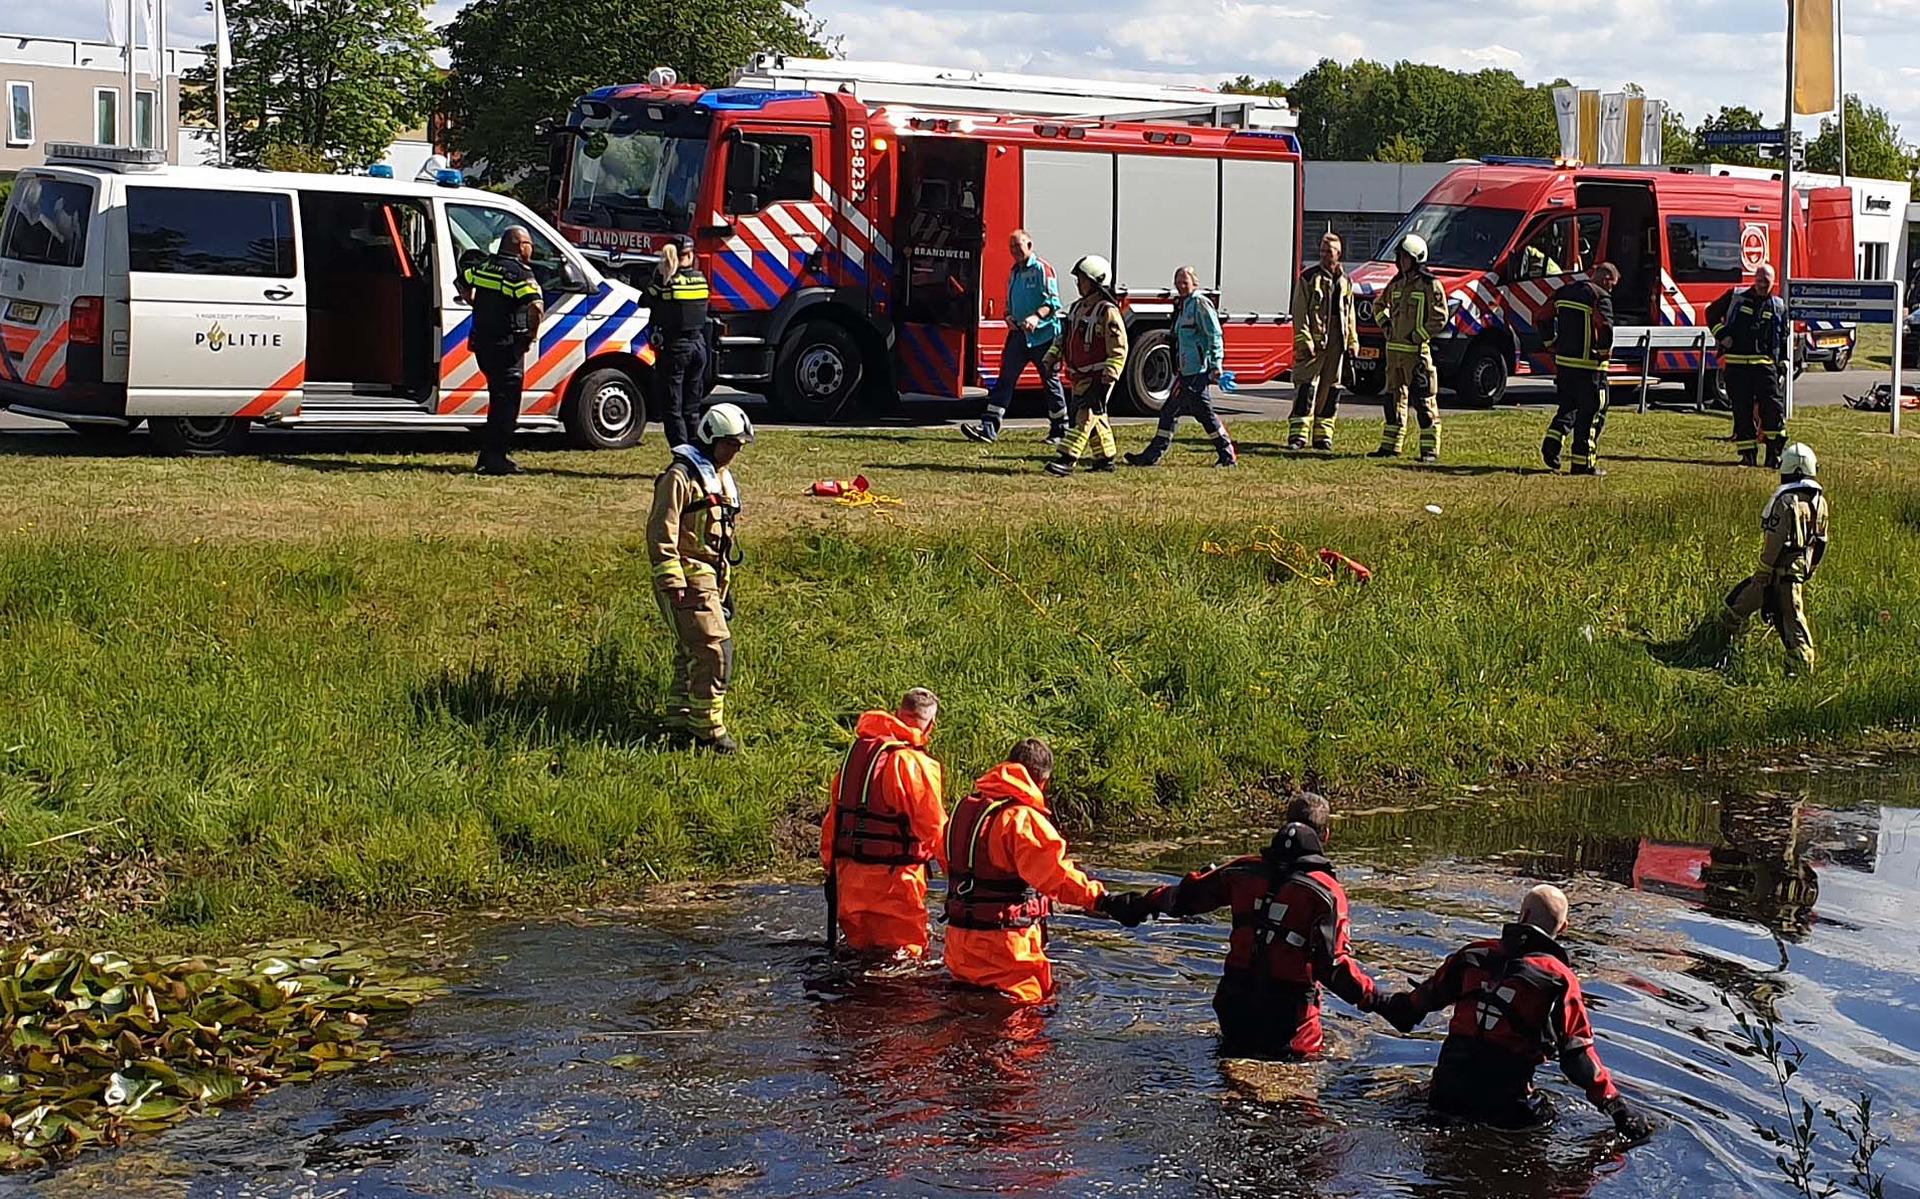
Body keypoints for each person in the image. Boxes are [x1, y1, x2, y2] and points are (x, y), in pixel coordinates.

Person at [1104, 793, 1382, 1058]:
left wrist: (1137, 905)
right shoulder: (1326, 892)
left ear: (1283, 824)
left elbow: (1184, 898)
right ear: (1326, 837)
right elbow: (1331, 966)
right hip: (1290, 1028)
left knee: (1232, 1088)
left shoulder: (1243, 871)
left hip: (1235, 1011)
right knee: (1297, 1099)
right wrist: (1380, 1002)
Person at [1376, 884, 1655, 1138]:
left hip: (1446, 1093)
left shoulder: (1472, 956)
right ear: (1564, 927)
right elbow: (1577, 1057)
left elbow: (1412, 1008)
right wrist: (1617, 1107)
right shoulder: (1558, 978)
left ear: (1523, 915)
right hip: (1506, 1107)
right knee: (1547, 1121)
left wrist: (1370, 996)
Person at [944, 737, 1127, 1003]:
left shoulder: (964, 810)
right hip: (1006, 953)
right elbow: (1057, 877)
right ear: (1042, 782)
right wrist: (1102, 900)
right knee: (1025, 1033)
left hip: (959, 947)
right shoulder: (1022, 819)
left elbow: (945, 856)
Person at [646, 402, 752, 754]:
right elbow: (662, 530)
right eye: (731, 444)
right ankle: (708, 730)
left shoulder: (718, 474)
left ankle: (680, 719)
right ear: (711, 438)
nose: (735, 452)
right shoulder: (679, 477)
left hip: (712, 576)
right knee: (714, 650)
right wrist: (672, 581)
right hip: (689, 574)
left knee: (689, 650)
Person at [821, 688, 948, 957]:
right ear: (931, 726)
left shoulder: (857, 755)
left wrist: (831, 871)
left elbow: (834, 821)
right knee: (905, 967)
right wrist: (962, 878)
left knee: (857, 962)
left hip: (850, 881)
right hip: (895, 886)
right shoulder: (914, 764)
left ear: (897, 715)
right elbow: (936, 831)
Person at [1719, 441, 1829, 672]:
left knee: (1789, 617)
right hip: (1798, 570)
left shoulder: (1785, 501)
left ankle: (1801, 666)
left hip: (1777, 572)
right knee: (1745, 607)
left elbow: (1774, 541)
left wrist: (1763, 571)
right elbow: (1821, 542)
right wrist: (1810, 568)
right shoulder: (1820, 503)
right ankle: (1721, 645)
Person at [963, 230, 1069, 445]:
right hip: (1019, 336)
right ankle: (988, 429)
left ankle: (1060, 431)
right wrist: (1009, 317)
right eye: (1011, 247)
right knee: (1005, 381)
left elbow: (1053, 302)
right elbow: (1010, 304)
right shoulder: (1014, 272)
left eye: (1018, 245)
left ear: (1029, 244)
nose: (1014, 251)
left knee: (1050, 383)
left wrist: (1036, 317)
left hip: (1043, 337)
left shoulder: (1042, 269)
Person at [1124, 266, 1236, 468]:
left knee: (1204, 414)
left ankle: (1227, 454)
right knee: (1169, 412)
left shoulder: (1200, 304)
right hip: (1184, 373)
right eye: (1178, 281)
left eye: (1185, 282)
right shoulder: (1182, 305)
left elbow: (1215, 335)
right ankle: (1151, 456)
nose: (1180, 285)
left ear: (1195, 283)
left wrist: (1216, 365)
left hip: (1196, 373)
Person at [458, 226, 544, 476]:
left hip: (482, 343)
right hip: (507, 345)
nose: (532, 248)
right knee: (506, 404)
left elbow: (462, 282)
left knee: (498, 399)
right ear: (519, 246)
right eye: (529, 243)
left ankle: (489, 455)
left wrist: (473, 302)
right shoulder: (519, 274)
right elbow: (536, 307)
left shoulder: (485, 266)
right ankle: (495, 458)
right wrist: (530, 335)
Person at [1042, 256, 1127, 477]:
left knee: (1084, 416)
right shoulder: (1078, 308)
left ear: (1097, 282)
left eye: (1083, 280)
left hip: (1098, 376)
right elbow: (1064, 336)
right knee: (1096, 418)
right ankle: (1105, 458)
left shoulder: (1107, 312)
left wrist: (1110, 374)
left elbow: (1119, 347)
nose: (1079, 284)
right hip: (1079, 376)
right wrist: (1052, 356)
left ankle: (1067, 458)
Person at [1370, 233, 1447, 463]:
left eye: (1404, 257)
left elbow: (1439, 318)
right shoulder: (1396, 284)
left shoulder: (1430, 285)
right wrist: (1386, 325)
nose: (1400, 261)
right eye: (1399, 257)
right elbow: (1379, 305)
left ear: (1416, 258)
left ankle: (1429, 450)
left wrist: (1417, 336)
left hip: (1416, 354)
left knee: (1424, 400)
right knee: (1392, 400)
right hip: (1394, 354)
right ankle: (1390, 446)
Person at [1706, 263, 1790, 468]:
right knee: (1741, 412)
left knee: (1773, 411)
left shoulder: (1778, 306)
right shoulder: (1737, 296)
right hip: (1736, 365)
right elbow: (1711, 313)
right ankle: (1747, 455)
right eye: (1759, 280)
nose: (1762, 285)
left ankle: (1774, 455)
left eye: (1766, 281)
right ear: (1755, 278)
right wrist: (1722, 335)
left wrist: (1783, 363)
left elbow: (1783, 336)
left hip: (1764, 366)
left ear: (1773, 282)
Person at [1541, 263, 1620, 477]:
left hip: (1565, 364)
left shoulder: (1564, 291)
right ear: (1606, 280)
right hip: (1590, 368)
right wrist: (1603, 352)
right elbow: (1605, 326)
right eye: (1612, 285)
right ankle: (1583, 464)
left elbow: (1541, 316)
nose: (1611, 290)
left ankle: (1552, 443)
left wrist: (1550, 342)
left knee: (1568, 408)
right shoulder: (1600, 297)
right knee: (1593, 414)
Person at [1287, 233, 1359, 452]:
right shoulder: (1309, 278)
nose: (1324, 255)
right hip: (1315, 343)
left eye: (1329, 251)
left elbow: (1350, 313)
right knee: (1306, 388)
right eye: (1322, 250)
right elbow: (1299, 311)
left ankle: (1323, 436)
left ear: (1339, 254)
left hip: (1337, 343)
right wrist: (1304, 338)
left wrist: (1353, 340)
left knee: (1331, 390)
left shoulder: (1346, 281)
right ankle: (1298, 436)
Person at [645, 237, 711, 450]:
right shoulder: (701, 279)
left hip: (676, 348)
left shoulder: (667, 283)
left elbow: (645, 300)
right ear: (690, 256)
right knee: (691, 409)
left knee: (672, 408)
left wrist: (661, 275)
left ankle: (682, 455)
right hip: (699, 346)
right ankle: (697, 454)